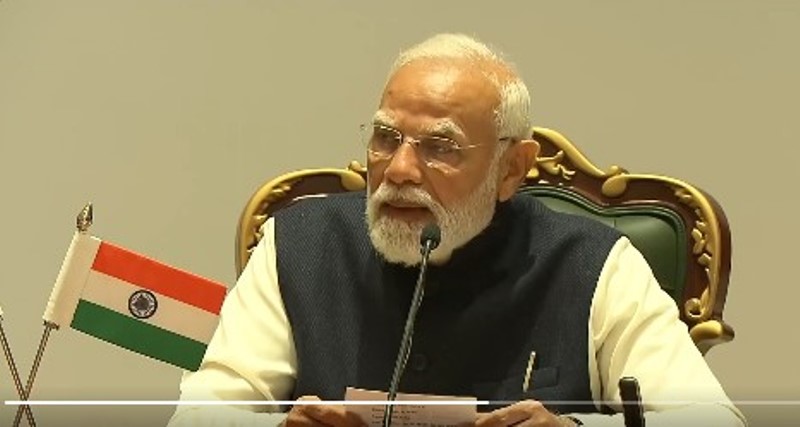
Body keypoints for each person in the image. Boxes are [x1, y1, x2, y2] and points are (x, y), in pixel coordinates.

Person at [168, 33, 746, 427]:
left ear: (511, 168)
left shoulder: (592, 263)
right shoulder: (300, 245)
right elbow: (201, 413)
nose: (398, 170)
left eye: (440, 147)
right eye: (386, 138)